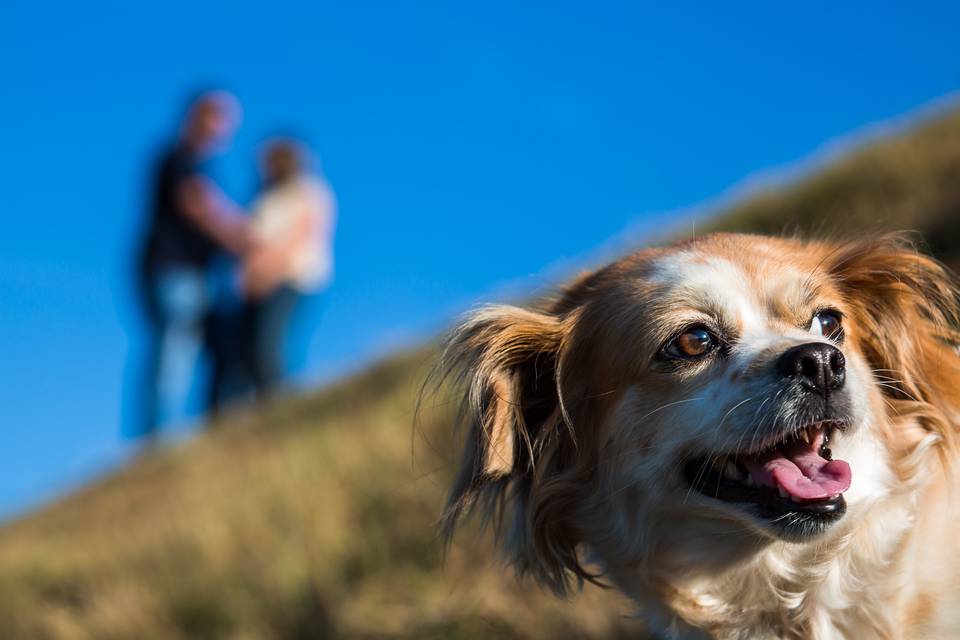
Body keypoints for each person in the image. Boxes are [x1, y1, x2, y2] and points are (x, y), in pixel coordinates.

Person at [135, 91, 249, 438]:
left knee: (196, 351)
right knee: (175, 350)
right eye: (221, 120)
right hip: (174, 272)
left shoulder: (198, 166)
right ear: (201, 119)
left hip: (191, 276)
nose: (225, 131)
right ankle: (159, 440)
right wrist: (245, 239)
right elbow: (198, 206)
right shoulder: (178, 158)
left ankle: (197, 430)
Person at [209, 138, 336, 407]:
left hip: (294, 279)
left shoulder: (309, 190)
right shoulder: (263, 197)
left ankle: (279, 406)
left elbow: (304, 235)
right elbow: (247, 240)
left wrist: (268, 270)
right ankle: (248, 409)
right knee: (243, 351)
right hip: (255, 285)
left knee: (268, 342)